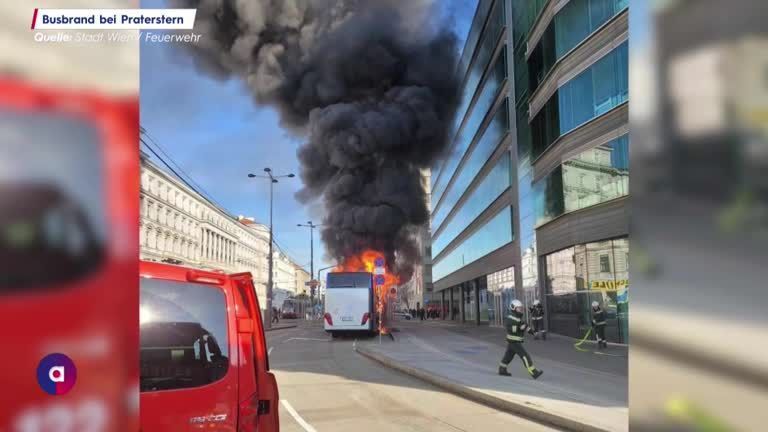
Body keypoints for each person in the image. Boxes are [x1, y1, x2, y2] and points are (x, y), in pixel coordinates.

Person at [499, 300, 543, 379]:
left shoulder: (518, 317)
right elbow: (511, 329)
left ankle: (502, 369)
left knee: (508, 356)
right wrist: (520, 328)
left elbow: (525, 327)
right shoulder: (510, 318)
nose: (520, 310)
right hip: (514, 342)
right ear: (513, 308)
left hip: (513, 342)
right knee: (525, 356)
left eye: (521, 308)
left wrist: (533, 333)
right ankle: (534, 372)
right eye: (519, 308)